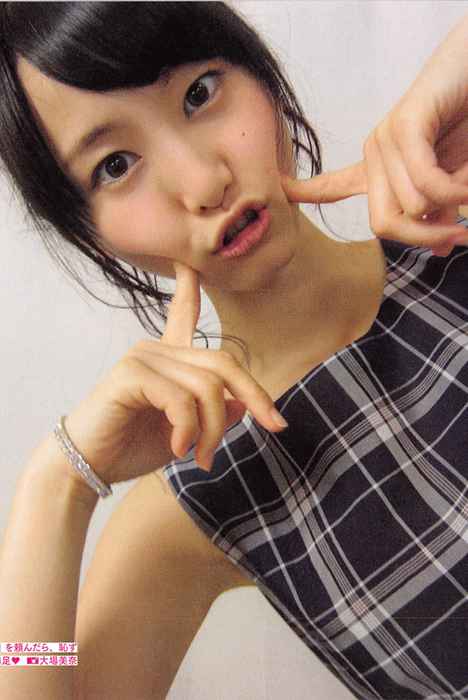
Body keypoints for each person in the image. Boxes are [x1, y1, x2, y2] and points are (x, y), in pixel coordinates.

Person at [0, 2, 467, 699]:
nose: (203, 182)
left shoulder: (455, 235)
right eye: (116, 165)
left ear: (260, 73)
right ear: (89, 231)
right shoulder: (206, 488)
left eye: (199, 93)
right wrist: (55, 482)